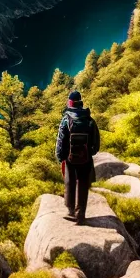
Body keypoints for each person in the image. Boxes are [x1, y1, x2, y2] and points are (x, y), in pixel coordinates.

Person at [55, 89, 101, 225]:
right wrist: (90, 152)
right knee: (83, 184)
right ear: (80, 102)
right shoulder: (89, 120)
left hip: (70, 158)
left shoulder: (66, 120)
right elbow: (96, 142)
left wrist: (61, 156)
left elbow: (61, 140)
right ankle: (80, 214)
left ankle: (70, 211)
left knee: (70, 182)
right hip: (86, 158)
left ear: (70, 103)